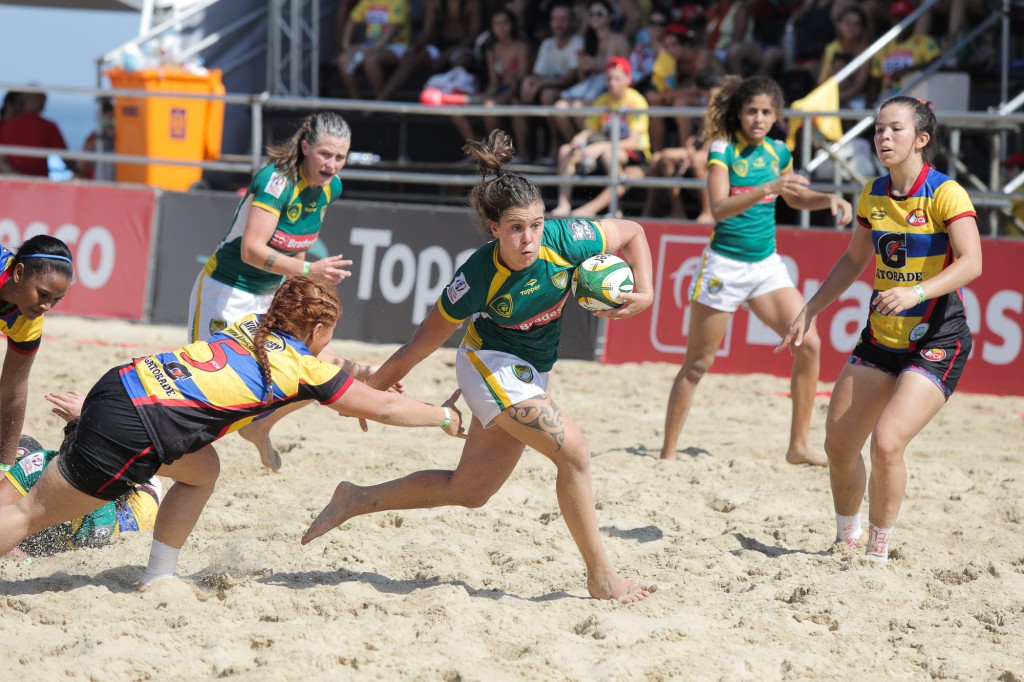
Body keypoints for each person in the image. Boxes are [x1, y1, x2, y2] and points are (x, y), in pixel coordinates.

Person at [302, 129, 658, 604]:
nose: (529, 238)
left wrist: (647, 293)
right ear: (494, 228)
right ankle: (603, 579)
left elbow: (633, 232)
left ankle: (355, 498)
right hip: (490, 367)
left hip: (530, 371)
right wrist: (373, 395)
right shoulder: (476, 275)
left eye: (535, 223)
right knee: (574, 453)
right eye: (515, 228)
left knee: (469, 490)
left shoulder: (568, 239)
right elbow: (420, 344)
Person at [0, 276, 467, 587]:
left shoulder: (253, 328)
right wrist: (442, 417)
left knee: (202, 470)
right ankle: (155, 573)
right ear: (320, 328)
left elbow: (323, 366)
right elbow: (384, 408)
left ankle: (160, 576)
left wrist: (363, 371)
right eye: (329, 331)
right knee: (30, 514)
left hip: (118, 386)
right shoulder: (301, 368)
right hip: (137, 428)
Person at [777, 96, 982, 561]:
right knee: (839, 444)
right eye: (877, 130)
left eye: (895, 130)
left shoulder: (946, 192)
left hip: (936, 339)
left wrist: (917, 292)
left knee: (887, 442)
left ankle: (879, 550)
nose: (883, 138)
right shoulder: (872, 194)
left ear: (921, 141)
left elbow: (973, 263)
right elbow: (853, 260)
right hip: (881, 337)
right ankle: (846, 541)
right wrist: (810, 310)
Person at [659, 75, 853, 463]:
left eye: (766, 112)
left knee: (809, 343)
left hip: (765, 265)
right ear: (739, 113)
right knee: (697, 365)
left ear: (776, 115)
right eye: (752, 111)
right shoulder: (723, 149)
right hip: (724, 265)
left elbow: (796, 198)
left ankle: (799, 446)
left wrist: (829, 199)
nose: (759, 118)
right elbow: (719, 208)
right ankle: (667, 453)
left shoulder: (779, 152)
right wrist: (768, 188)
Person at [187, 111, 357, 472]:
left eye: (340, 157)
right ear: (306, 146)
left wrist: (300, 291)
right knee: (205, 387)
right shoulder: (276, 180)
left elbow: (297, 248)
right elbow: (252, 250)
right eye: (325, 154)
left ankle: (263, 425)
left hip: (269, 292)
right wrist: (311, 272)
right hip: (227, 289)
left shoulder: (331, 188)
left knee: (309, 367)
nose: (332, 165)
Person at [1, 391, 160, 559]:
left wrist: (25, 560)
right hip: (114, 484)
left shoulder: (111, 518)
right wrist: (89, 416)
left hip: (103, 506)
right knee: (25, 445)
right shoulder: (42, 463)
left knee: (25, 447)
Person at [0, 235, 74, 470]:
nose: (46, 307)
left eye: (56, 299)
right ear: (19, 273)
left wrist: (4, 467)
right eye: (43, 294)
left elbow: (13, 390)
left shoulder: (29, 322)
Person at [551, 57, 650, 218]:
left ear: (628, 79)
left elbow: (634, 141)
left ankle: (615, 208)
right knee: (565, 150)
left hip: (632, 152)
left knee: (610, 154)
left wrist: (603, 146)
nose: (612, 82)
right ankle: (563, 204)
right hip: (602, 145)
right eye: (609, 78)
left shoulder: (637, 101)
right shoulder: (602, 100)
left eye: (617, 78)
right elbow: (591, 129)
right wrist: (580, 137)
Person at [516, 2, 583, 163]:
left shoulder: (578, 42)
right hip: (550, 90)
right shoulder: (547, 44)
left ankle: (555, 144)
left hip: (573, 91)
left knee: (547, 95)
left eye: (563, 20)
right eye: (555, 20)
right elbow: (538, 74)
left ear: (572, 22)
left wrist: (540, 84)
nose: (559, 24)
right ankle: (523, 152)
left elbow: (570, 78)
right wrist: (529, 81)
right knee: (519, 97)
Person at [336, 0, 411, 100]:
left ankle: (380, 99)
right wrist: (346, 45)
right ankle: (355, 101)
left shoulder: (399, 2)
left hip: (396, 46)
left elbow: (391, 30)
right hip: (370, 46)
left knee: (370, 60)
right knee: (343, 59)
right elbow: (352, 20)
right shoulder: (367, 1)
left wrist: (372, 49)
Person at [867, 0, 940, 104]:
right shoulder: (883, 46)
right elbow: (875, 81)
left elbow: (938, 63)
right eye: (897, 17)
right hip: (888, 96)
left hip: (916, 96)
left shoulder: (924, 42)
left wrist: (908, 71)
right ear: (891, 19)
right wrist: (869, 105)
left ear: (914, 19)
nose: (900, 21)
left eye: (905, 17)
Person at [0, 91, 68, 177]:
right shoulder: (48, 126)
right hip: (37, 183)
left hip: (10, 183)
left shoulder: (7, 127)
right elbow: (66, 158)